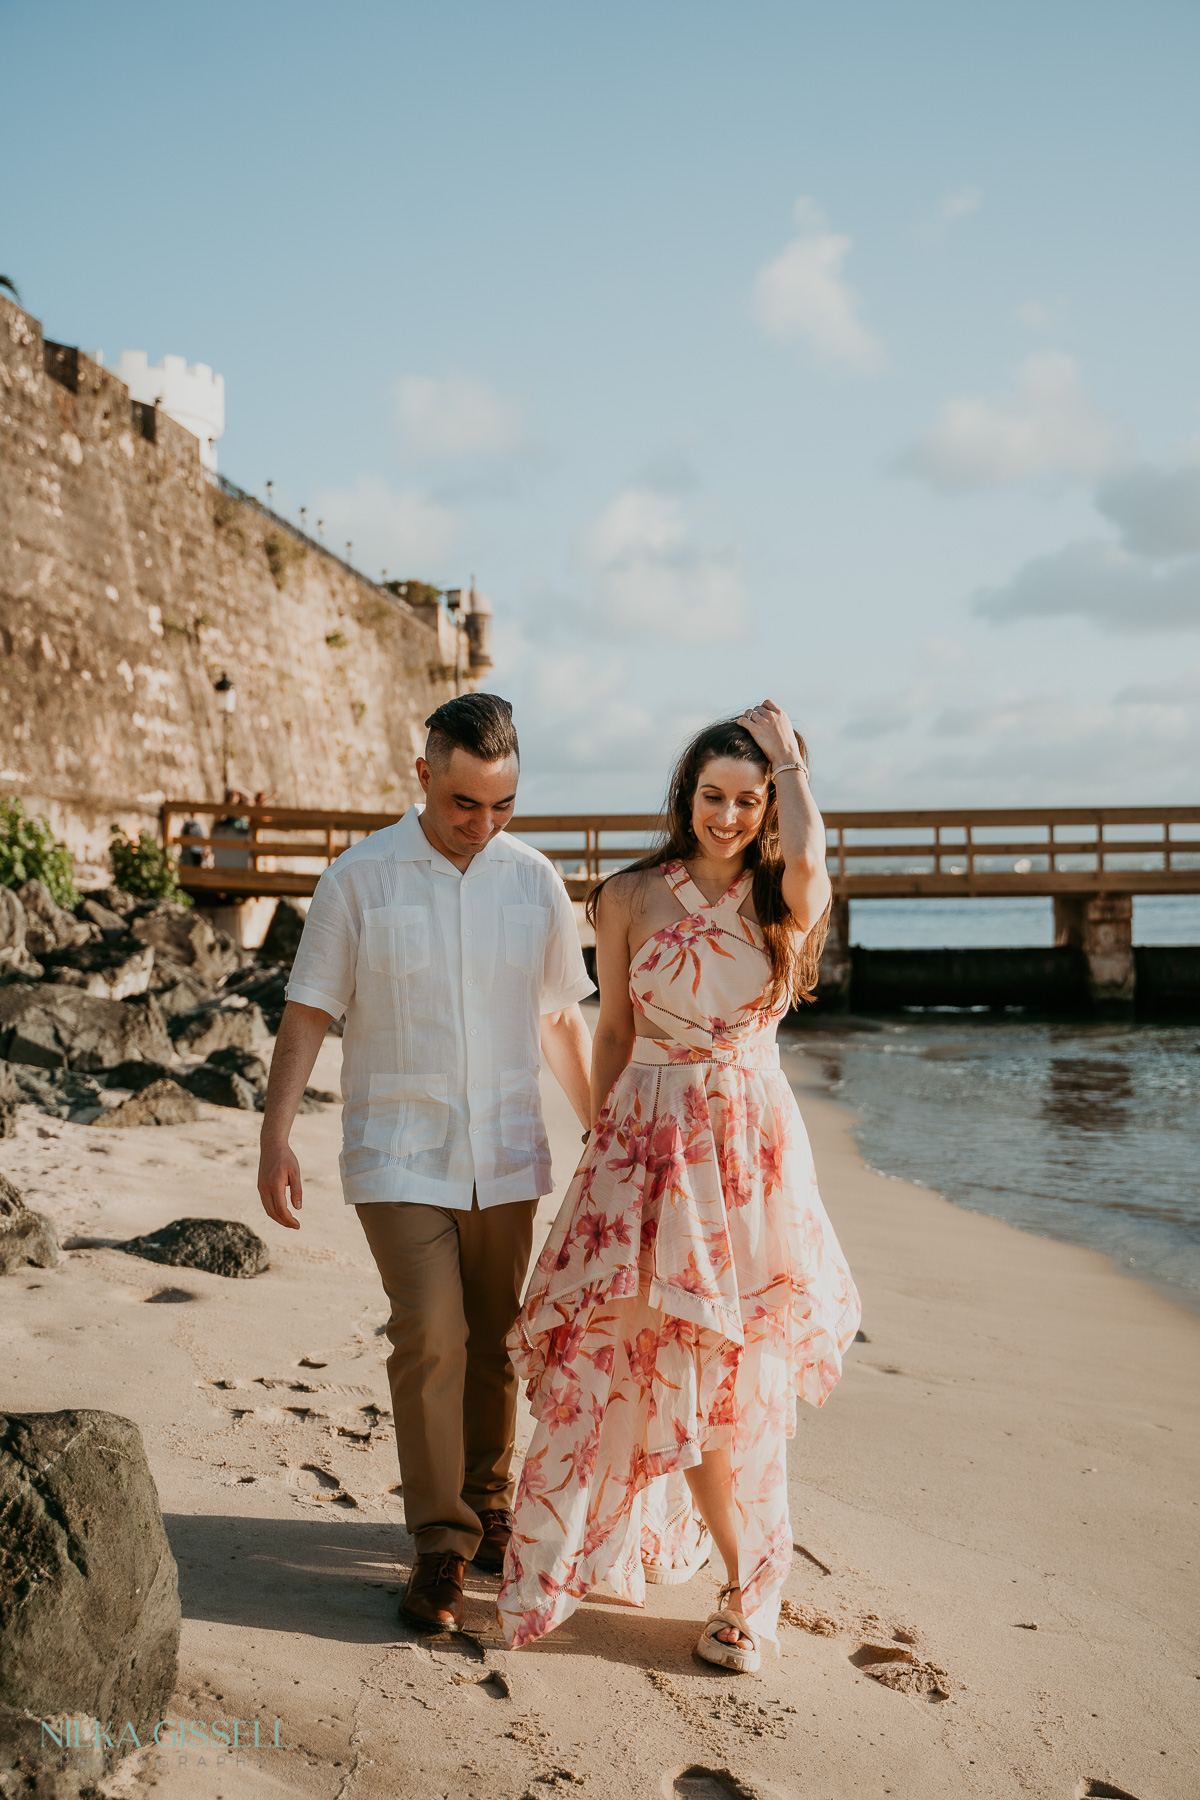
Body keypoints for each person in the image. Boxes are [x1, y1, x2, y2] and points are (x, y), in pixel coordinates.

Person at [497, 701, 861, 1672]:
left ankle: (754, 1586)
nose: (730, 816)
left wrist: (791, 759)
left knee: (734, 1377)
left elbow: (815, 859)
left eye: (749, 800)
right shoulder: (629, 896)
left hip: (746, 1156)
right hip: (641, 1145)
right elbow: (613, 1030)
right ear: (686, 797)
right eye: (714, 796)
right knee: (639, 1356)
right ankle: (601, 1548)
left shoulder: (784, 897)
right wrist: (602, 1143)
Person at [257, 694, 594, 1632]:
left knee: (497, 1339)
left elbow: (562, 1018)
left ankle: (491, 1507)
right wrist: (274, 1132)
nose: (484, 826)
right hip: (396, 1152)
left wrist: (605, 1131)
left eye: (503, 806)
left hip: (507, 1148)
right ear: (423, 779)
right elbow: (310, 1011)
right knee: (433, 1333)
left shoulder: (533, 883)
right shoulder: (356, 881)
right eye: (464, 805)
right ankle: (440, 1547)